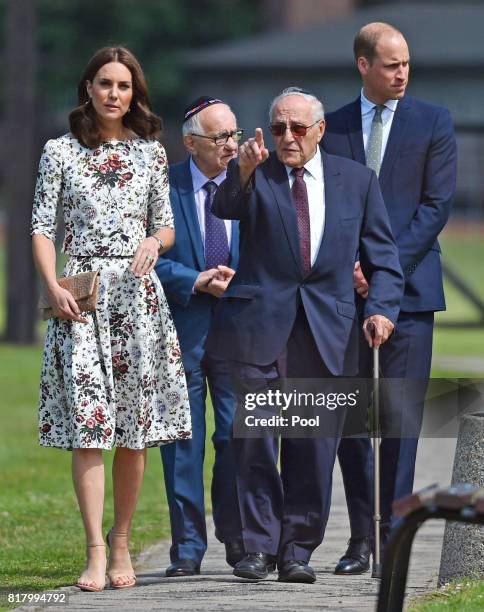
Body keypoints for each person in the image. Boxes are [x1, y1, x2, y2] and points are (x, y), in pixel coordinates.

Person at [205, 87, 404, 583]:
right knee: (252, 440)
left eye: (297, 128)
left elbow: (384, 259)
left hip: (326, 330)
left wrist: (380, 309)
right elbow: (226, 208)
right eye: (278, 129)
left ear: (319, 130)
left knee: (313, 446)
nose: (287, 137)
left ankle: (297, 548)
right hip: (257, 327)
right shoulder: (254, 174)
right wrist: (245, 170)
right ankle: (256, 546)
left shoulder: (357, 181)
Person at [30, 46, 191, 592]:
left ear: (135, 93)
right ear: (88, 89)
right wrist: (52, 287)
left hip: (136, 304)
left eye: (123, 85)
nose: (114, 94)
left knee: (133, 433)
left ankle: (122, 540)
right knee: (89, 430)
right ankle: (95, 550)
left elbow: (167, 226)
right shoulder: (59, 152)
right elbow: (40, 227)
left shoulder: (151, 154)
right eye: (104, 83)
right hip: (81, 302)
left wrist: (152, 240)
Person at [323, 22, 457, 574]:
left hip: (411, 294)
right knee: (352, 425)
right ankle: (360, 540)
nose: (402, 73)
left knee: (400, 424)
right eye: (391, 64)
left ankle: (392, 538)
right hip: (341, 296)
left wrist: (382, 271)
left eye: (406, 64)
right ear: (363, 66)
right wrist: (349, 267)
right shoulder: (328, 127)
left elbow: (435, 207)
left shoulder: (433, 122)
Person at [155, 96, 244, 577]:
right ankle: (187, 548)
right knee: (181, 444)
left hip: (238, 331)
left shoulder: (250, 183)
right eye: (219, 137)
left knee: (236, 437)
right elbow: (144, 256)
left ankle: (236, 540)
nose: (230, 145)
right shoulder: (162, 186)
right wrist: (192, 279)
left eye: (233, 134)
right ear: (191, 142)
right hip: (181, 328)